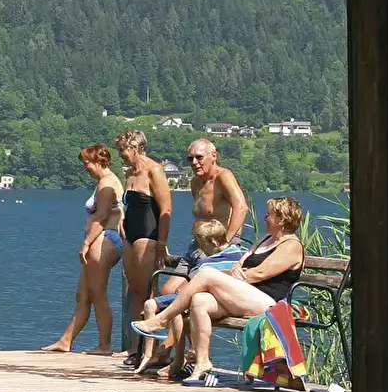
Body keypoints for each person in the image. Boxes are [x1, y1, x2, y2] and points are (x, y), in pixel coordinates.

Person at [132, 197, 307, 387]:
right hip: (244, 296)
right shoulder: (264, 239)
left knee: (206, 273)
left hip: (270, 303)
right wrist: (235, 271)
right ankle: (202, 362)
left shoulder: (291, 245)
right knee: (200, 300)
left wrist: (235, 275)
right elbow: (239, 263)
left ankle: (161, 319)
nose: (265, 218)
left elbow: (260, 273)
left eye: (269, 215)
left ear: (281, 219)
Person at [150, 138, 249, 371]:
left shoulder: (224, 177)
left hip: (216, 249)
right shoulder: (196, 182)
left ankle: (188, 355)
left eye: (199, 157)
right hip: (196, 247)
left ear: (214, 156)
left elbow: (241, 207)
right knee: (167, 291)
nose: (194, 162)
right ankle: (178, 352)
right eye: (190, 158)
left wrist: (226, 242)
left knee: (182, 294)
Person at [42, 144, 124, 355]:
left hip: (104, 240)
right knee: (83, 295)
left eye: (87, 163)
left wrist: (87, 243)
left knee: (98, 294)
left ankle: (105, 345)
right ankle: (65, 341)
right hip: (100, 239)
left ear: (98, 161)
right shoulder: (103, 182)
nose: (84, 167)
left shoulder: (107, 183)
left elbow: (102, 216)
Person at [134, 218, 243, 376]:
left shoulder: (219, 261)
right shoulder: (234, 254)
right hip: (205, 298)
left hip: (216, 301)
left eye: (202, 244)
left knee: (178, 309)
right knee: (159, 306)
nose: (200, 249)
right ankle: (154, 356)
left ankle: (178, 360)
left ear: (213, 242)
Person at [115, 131, 173, 370]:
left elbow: (165, 209)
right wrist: (121, 218)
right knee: (134, 291)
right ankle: (135, 348)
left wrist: (161, 243)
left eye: (123, 150)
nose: (121, 155)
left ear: (135, 147)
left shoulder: (154, 170)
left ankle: (149, 349)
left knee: (147, 293)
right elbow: (127, 204)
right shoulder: (129, 173)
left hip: (147, 235)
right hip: (129, 234)